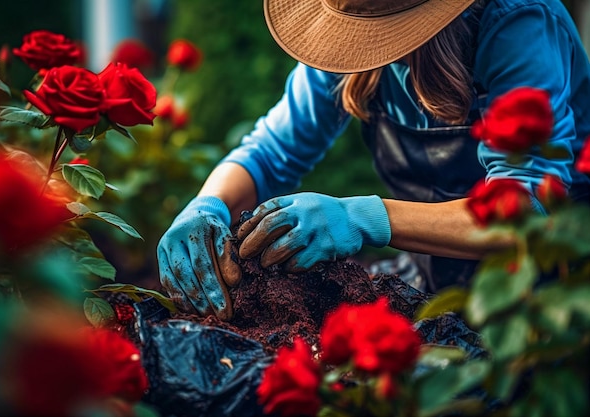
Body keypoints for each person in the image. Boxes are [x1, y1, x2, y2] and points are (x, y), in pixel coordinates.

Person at [157, 0, 590, 320]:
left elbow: (527, 209)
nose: (365, 44)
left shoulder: (515, 23)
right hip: (438, 276)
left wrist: (363, 216)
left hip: (551, 291)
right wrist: (207, 204)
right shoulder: (352, 28)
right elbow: (269, 152)